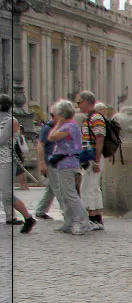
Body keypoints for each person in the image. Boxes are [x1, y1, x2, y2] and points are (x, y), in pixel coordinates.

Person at [44, 100, 91, 235]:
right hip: (65, 163)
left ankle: (84, 222)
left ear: (61, 114)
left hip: (67, 163)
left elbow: (52, 137)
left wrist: (58, 123)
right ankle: (68, 223)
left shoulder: (68, 127)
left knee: (70, 194)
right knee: (66, 194)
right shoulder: (72, 125)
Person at [0, 95, 35, 231]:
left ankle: (28, 218)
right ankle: (10, 217)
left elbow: (2, 139)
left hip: (7, 160)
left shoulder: (11, 121)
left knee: (7, 193)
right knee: (4, 192)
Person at [75, 90, 106, 230]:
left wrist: (97, 160)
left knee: (87, 187)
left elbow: (100, 139)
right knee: (94, 187)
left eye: (79, 102)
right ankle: (97, 218)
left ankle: (92, 218)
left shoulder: (95, 118)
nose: (78, 105)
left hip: (93, 156)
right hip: (92, 155)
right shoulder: (90, 117)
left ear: (86, 102)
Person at [33, 111, 57, 220]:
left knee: (52, 187)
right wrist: (42, 163)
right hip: (50, 161)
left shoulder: (56, 127)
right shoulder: (47, 128)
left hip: (55, 161)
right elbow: (40, 146)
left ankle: (41, 210)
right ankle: (67, 211)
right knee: (57, 187)